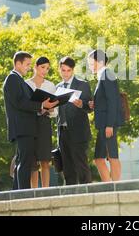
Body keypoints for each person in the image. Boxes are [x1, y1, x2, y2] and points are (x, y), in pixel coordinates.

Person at [3, 51, 58, 190]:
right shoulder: (12, 79)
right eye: (27, 64)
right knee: (25, 163)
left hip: (26, 128)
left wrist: (43, 107)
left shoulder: (19, 80)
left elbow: (28, 101)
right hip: (23, 128)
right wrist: (41, 105)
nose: (29, 67)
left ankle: (17, 193)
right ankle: (23, 194)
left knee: (22, 161)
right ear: (18, 63)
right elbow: (21, 102)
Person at [87, 50, 125, 182]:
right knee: (100, 158)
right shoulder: (103, 75)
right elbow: (106, 100)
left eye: (92, 63)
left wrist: (109, 125)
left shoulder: (107, 74)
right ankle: (110, 186)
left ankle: (114, 187)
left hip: (108, 124)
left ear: (100, 62)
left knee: (111, 156)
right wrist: (95, 104)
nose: (90, 66)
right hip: (104, 124)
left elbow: (113, 101)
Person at [56, 56, 93, 185]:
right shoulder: (57, 87)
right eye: (63, 70)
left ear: (73, 70)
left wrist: (81, 104)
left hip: (78, 132)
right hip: (62, 132)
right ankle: (71, 196)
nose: (65, 73)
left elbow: (90, 107)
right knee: (67, 168)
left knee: (81, 165)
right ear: (59, 70)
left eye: (68, 70)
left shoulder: (83, 84)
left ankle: (87, 194)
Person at [26, 57, 58, 188]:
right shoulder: (26, 84)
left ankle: (45, 191)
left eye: (47, 68)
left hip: (44, 123)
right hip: (30, 123)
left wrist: (49, 109)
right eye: (42, 67)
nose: (45, 70)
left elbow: (55, 110)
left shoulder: (50, 86)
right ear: (35, 67)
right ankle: (33, 192)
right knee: (32, 163)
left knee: (45, 160)